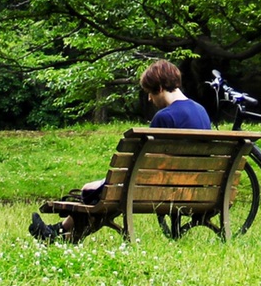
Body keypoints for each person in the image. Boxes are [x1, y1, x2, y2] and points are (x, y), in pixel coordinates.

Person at [29, 59, 211, 241]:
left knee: (94, 191)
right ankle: (61, 234)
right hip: (196, 190)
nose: (149, 98)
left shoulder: (165, 117)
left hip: (160, 190)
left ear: (160, 87)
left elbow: (147, 166)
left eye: (149, 92)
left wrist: (107, 182)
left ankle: (58, 232)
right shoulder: (201, 111)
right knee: (101, 191)